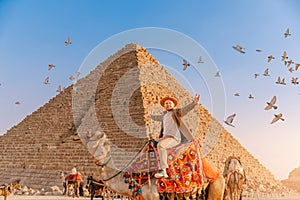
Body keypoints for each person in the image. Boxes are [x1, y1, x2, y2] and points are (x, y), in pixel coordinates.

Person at [150, 94, 200, 178]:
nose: (168, 105)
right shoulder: (164, 116)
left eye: (170, 103)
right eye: (166, 103)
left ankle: (163, 170)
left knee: (161, 145)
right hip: (164, 138)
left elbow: (185, 109)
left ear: (173, 105)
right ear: (164, 106)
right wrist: (150, 116)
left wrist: (194, 103)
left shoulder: (176, 113)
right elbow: (157, 117)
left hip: (173, 138)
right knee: (150, 144)